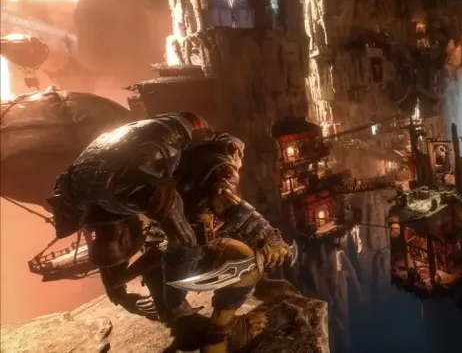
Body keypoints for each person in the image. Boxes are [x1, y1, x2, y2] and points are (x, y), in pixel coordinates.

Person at [48, 113, 292, 352]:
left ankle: (189, 317)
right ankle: (221, 338)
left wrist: (119, 291)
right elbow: (188, 234)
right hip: (141, 153)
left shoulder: (101, 189)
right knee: (244, 261)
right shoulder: (79, 190)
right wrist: (121, 293)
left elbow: (113, 235)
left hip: (172, 141)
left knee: (210, 218)